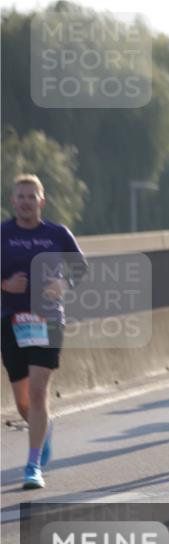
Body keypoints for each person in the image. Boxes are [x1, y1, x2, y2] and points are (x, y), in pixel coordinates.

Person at [1, 174, 87, 489]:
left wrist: (62, 284)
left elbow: (80, 268)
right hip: (10, 320)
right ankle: (44, 428)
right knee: (23, 403)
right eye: (20, 196)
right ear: (13, 201)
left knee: (38, 393)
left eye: (31, 196)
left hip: (47, 320)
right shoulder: (3, 234)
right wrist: (5, 285)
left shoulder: (57, 234)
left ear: (42, 201)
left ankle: (32, 464)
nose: (25, 202)